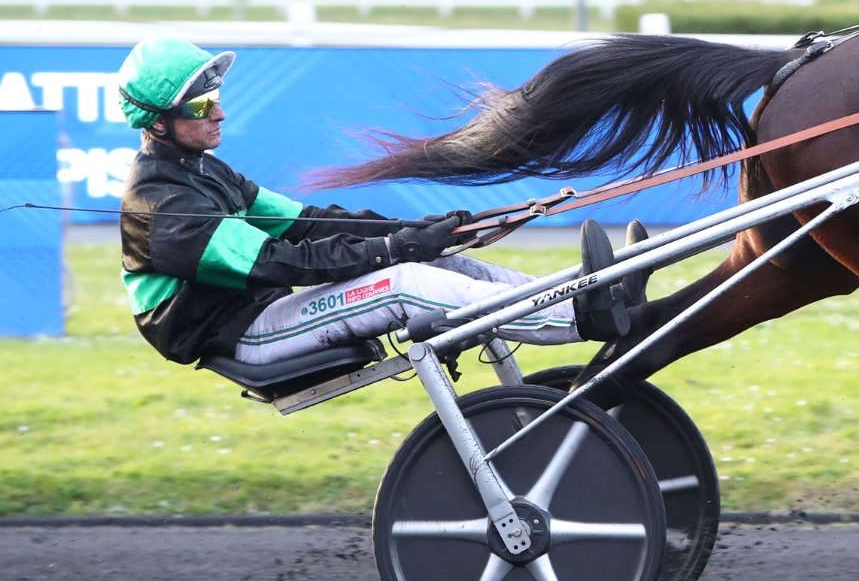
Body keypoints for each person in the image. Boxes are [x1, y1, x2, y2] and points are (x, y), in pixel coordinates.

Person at [115, 38, 628, 368]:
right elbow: (283, 262)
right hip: (239, 336)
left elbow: (306, 225)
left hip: (261, 311)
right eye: (203, 105)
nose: (220, 113)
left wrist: (418, 231)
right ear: (158, 121)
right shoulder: (159, 206)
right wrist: (394, 250)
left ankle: (583, 295)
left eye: (218, 96)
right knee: (405, 282)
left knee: (439, 258)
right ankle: (577, 322)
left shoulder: (205, 171)